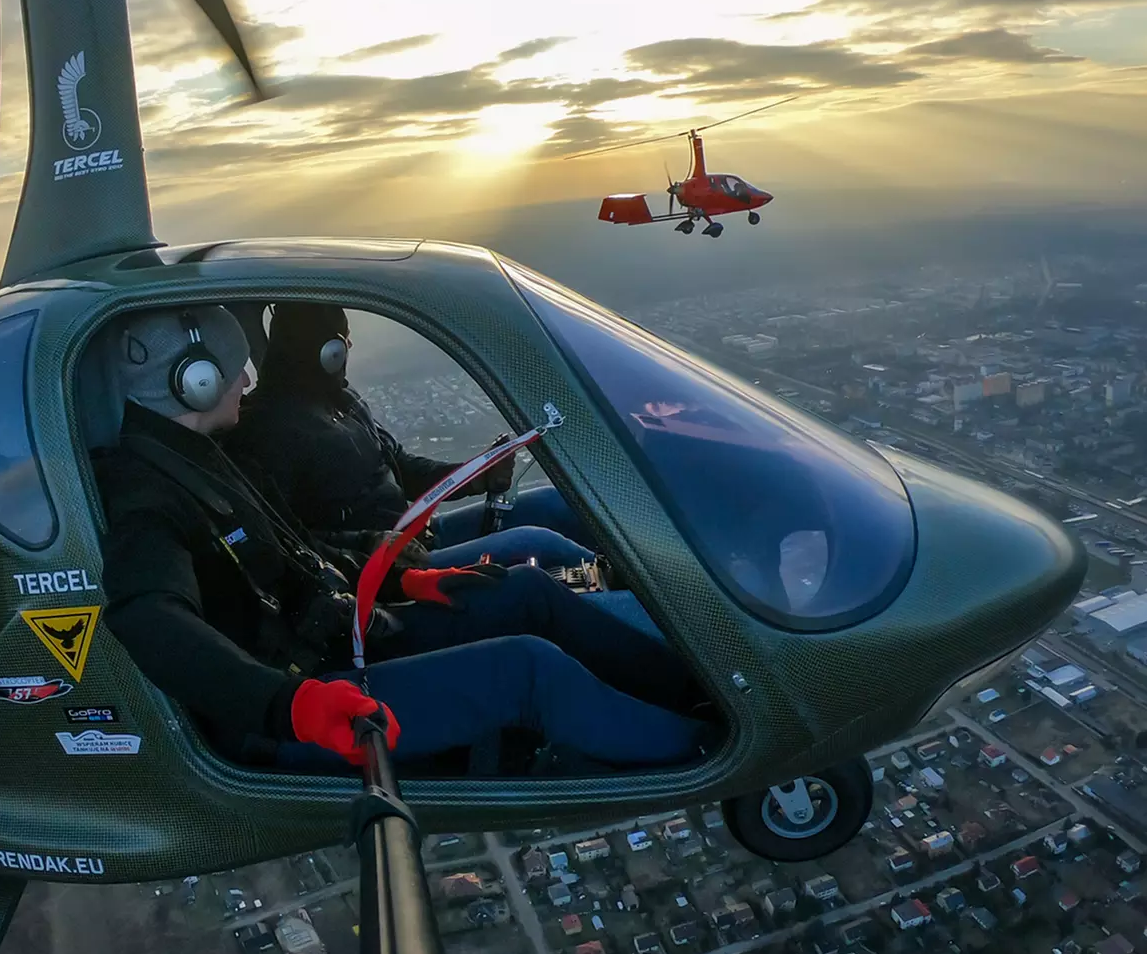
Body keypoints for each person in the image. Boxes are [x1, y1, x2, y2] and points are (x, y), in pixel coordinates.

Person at [91, 304, 711, 774]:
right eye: (232, 372)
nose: (245, 384)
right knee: (527, 669)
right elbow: (149, 616)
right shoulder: (148, 490)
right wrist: (289, 705)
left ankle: (697, 685)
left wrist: (405, 577)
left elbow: (296, 550)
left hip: (339, 633)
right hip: (305, 694)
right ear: (193, 382)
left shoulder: (194, 459)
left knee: (520, 589)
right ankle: (708, 748)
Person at [226, 302, 590, 571]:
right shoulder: (263, 431)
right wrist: (368, 543)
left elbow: (401, 466)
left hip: (417, 536)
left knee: (555, 505)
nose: (348, 351)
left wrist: (475, 474)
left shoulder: (340, 399)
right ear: (329, 353)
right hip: (386, 569)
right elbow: (282, 537)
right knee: (537, 544)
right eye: (343, 343)